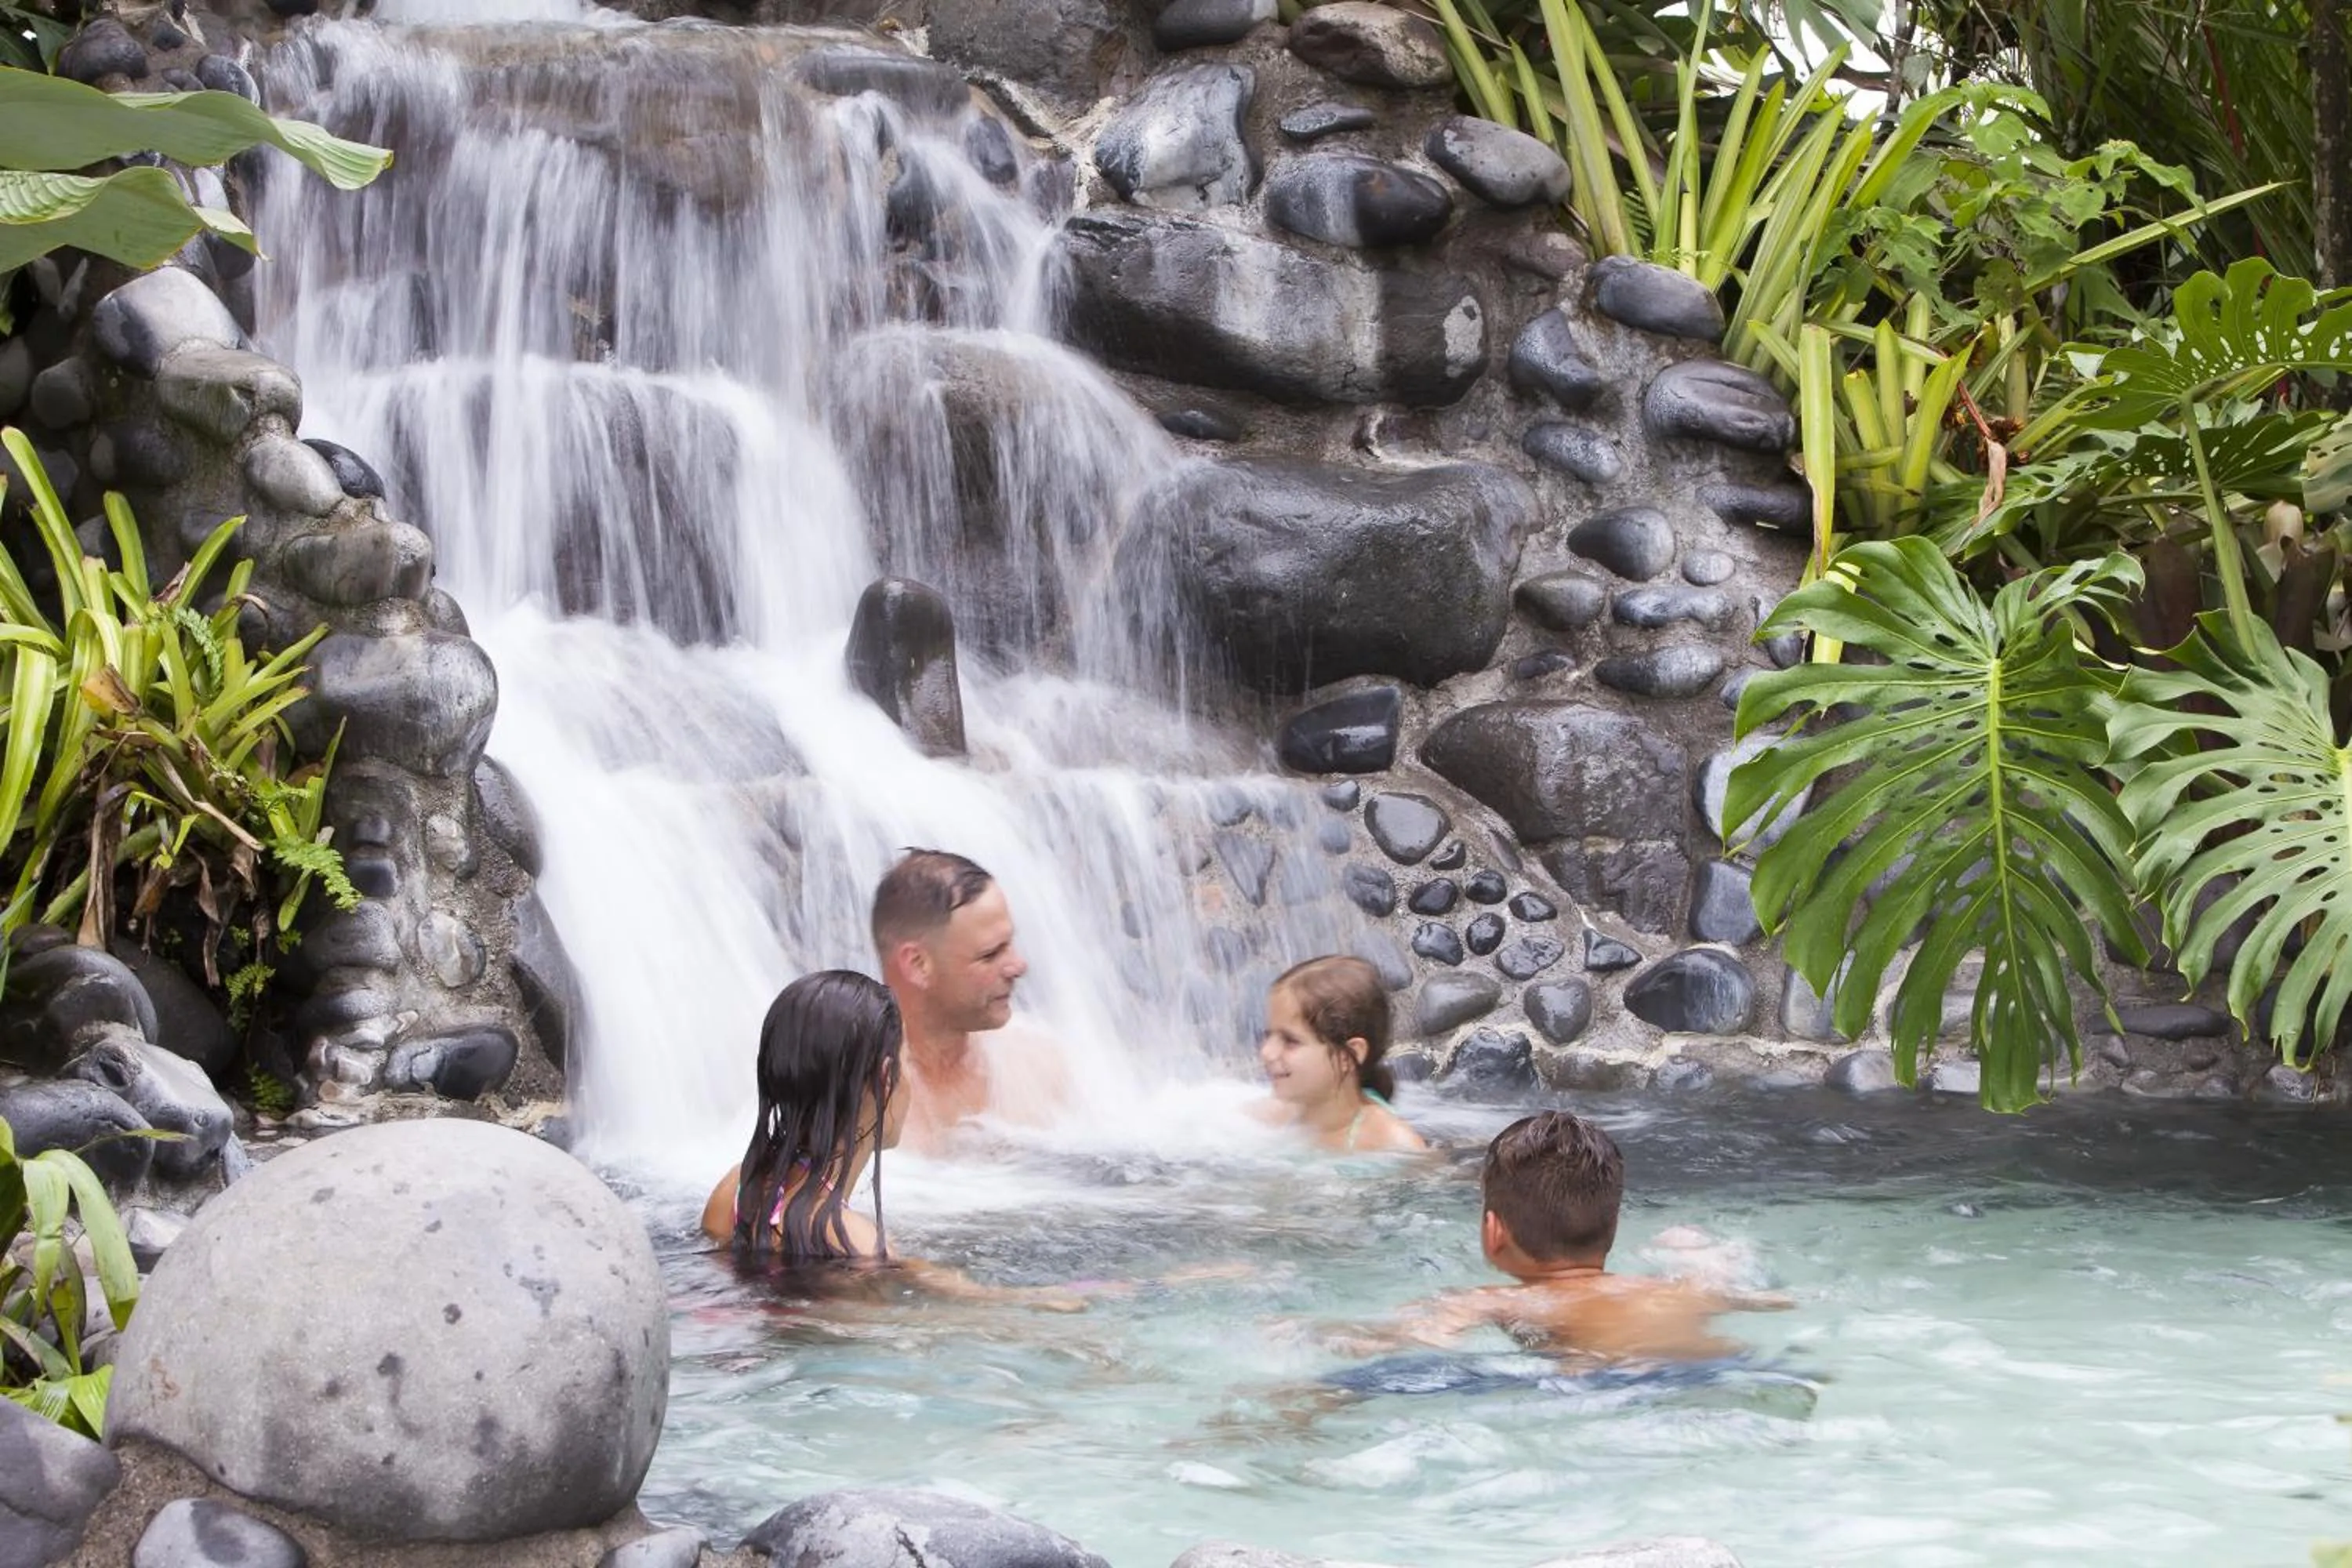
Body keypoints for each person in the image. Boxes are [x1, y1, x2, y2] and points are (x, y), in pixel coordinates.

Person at [699, 968, 1082, 1308]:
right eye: (906, 1062)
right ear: (885, 1079)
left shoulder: (733, 1192)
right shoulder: (856, 1243)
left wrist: (920, 1273)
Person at [1333, 1110, 1789, 1364]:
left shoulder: (1495, 1301)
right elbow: (1774, 1302)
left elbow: (1424, 1339)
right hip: (1735, 1367)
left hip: (1609, 1384)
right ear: (1611, 1226)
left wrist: (1332, 1337)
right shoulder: (1670, 1291)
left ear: (1494, 1234)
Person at [869, 848, 1065, 1153]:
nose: (1018, 966)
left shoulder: (1041, 1066)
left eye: (1010, 944)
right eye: (990, 954)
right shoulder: (852, 1103)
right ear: (918, 964)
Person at [1251, 956, 1425, 1154]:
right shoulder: (1275, 1116)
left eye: (1290, 1041)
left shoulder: (1392, 1144)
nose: (1267, 1052)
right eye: (1268, 1035)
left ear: (1348, 1056)